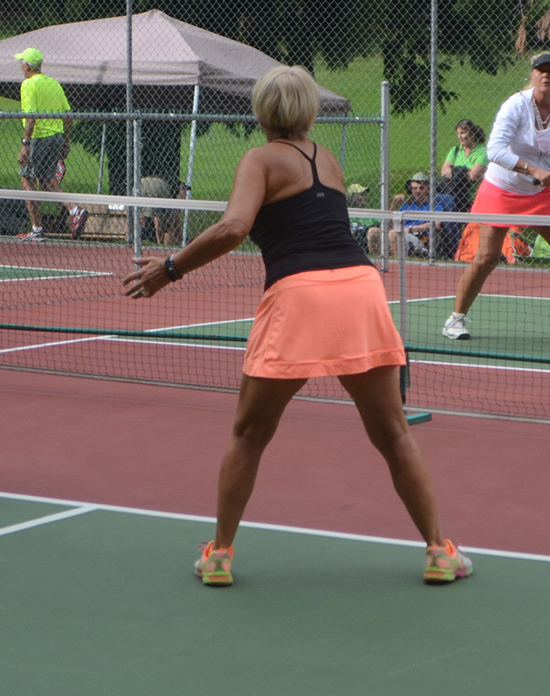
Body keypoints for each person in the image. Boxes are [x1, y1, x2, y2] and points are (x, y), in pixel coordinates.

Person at [122, 65, 469, 587]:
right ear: (307, 112)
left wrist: (168, 270)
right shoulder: (325, 158)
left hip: (300, 294)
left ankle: (218, 557)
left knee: (249, 433)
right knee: (393, 433)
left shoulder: (259, 159)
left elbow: (235, 226)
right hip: (360, 289)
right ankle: (439, 553)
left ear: (261, 112)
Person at [441, 53, 550, 345]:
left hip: (540, 192)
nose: (546, 76)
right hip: (501, 187)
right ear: (532, 76)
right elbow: (495, 150)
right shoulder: (515, 106)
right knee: (486, 258)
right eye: (540, 71)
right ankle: (455, 319)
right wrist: (533, 168)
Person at [14, 46, 73, 241]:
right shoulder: (54, 83)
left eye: (22, 62)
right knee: (47, 181)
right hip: (56, 136)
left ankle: (37, 228)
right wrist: (65, 139)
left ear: (27, 66)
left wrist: (25, 144)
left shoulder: (28, 85)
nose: (20, 66)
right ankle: (75, 210)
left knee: (27, 180)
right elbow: (68, 115)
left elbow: (31, 117)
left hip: (39, 138)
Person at [366, 172, 457, 256]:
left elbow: (437, 224)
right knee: (373, 232)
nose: (418, 191)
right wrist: (394, 205)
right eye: (415, 188)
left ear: (428, 189)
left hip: (419, 239)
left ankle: (397, 267)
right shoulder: (407, 205)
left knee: (393, 233)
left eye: (421, 188)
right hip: (399, 234)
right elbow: (388, 224)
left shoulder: (434, 205)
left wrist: (410, 229)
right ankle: (377, 266)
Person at [439, 118, 488, 208]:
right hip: (451, 190)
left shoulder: (483, 152)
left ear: (472, 133)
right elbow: (443, 172)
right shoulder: (456, 150)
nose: (459, 136)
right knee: (459, 173)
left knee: (459, 173)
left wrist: (454, 171)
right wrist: (462, 172)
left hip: (469, 195)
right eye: (458, 133)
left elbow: (473, 176)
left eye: (463, 133)